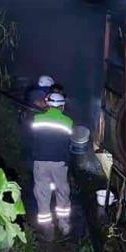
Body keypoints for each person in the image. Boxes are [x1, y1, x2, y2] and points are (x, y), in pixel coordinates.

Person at [31, 91, 73, 240]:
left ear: (47, 104)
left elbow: (32, 138)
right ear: (62, 106)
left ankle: (47, 228)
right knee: (62, 192)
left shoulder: (36, 118)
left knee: (42, 193)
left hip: (40, 162)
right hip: (59, 163)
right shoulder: (68, 122)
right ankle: (64, 226)